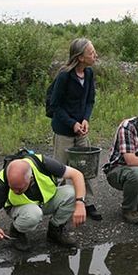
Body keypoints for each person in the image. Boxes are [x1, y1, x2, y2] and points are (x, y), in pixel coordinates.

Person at [0, 150, 87, 250]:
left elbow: (77, 175)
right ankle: (17, 231)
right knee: (33, 214)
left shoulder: (42, 162)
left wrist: (80, 203)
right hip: (20, 208)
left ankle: (55, 230)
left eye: (20, 189)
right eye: (12, 188)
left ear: (31, 179)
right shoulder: (3, 180)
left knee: (73, 193)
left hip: (44, 201)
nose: (15, 191)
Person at [50, 38, 102, 221]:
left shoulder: (88, 73)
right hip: (64, 128)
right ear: (80, 57)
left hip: (81, 128)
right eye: (91, 53)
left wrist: (86, 119)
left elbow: (90, 100)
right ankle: (59, 204)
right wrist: (72, 123)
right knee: (60, 168)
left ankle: (88, 203)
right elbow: (55, 105)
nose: (95, 55)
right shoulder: (64, 76)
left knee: (84, 166)